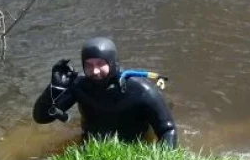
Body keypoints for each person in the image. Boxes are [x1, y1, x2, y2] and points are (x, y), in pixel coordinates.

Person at [32, 37, 177, 147]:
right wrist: (54, 88)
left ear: (112, 63)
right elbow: (42, 118)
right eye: (88, 65)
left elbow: (167, 130)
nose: (94, 71)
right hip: (94, 144)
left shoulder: (141, 90)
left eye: (100, 64)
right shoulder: (79, 86)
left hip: (136, 142)